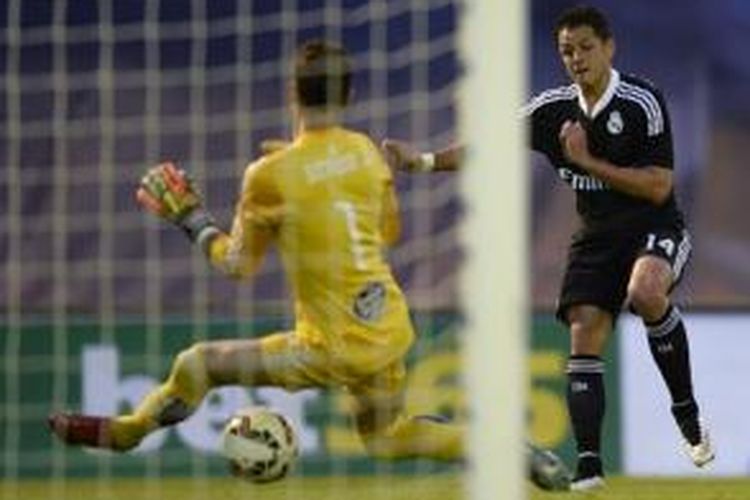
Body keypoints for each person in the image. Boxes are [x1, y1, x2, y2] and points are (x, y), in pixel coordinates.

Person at [47, 39, 570, 491]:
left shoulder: (269, 175)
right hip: (387, 326)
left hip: (329, 346)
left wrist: (190, 217)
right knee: (387, 439)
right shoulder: (364, 152)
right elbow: (390, 233)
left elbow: (237, 266)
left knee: (198, 364)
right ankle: (502, 449)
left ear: (292, 92)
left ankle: (126, 434)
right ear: (350, 97)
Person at [383, 5, 714, 491]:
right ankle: (590, 467)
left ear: (608, 48)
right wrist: (427, 162)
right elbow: (490, 144)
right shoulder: (551, 109)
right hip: (597, 236)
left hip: (653, 226)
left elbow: (659, 187)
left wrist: (586, 160)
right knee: (583, 333)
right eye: (566, 51)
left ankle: (687, 415)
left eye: (585, 48)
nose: (576, 59)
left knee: (646, 292)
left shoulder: (642, 101)